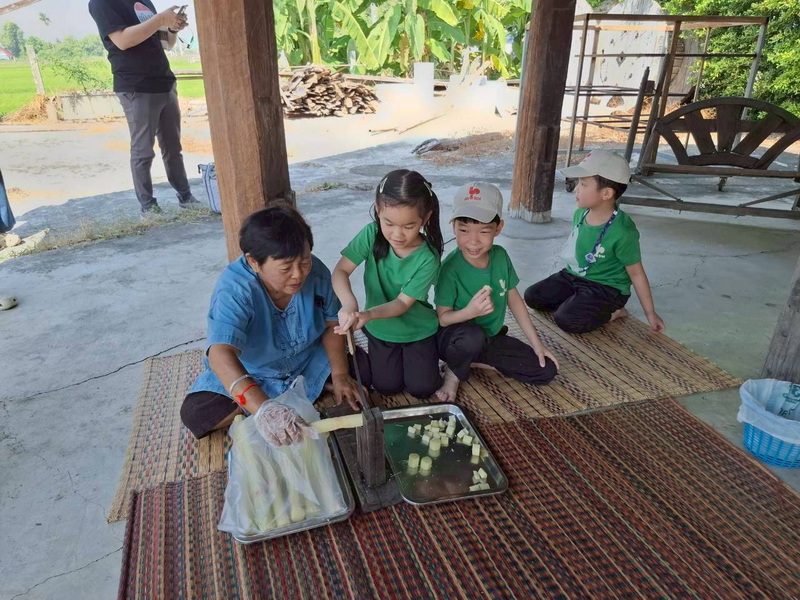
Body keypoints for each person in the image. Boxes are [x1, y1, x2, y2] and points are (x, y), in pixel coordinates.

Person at [180, 205, 368, 444]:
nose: (298, 274)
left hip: (307, 360)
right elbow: (220, 354)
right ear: (253, 262)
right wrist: (263, 408)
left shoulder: (317, 272)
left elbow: (333, 324)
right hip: (256, 373)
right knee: (197, 414)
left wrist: (340, 373)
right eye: (286, 268)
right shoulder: (235, 290)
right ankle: (275, 402)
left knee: (366, 370)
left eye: (304, 261)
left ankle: (304, 388)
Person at [434, 182, 559, 402]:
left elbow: (515, 300)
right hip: (455, 340)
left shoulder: (500, 256)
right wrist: (470, 312)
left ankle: (475, 361)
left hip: (490, 337)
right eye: (464, 230)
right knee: (472, 337)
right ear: (453, 227)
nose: (473, 241)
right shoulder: (450, 268)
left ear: (498, 228)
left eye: (484, 231)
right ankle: (453, 372)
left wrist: (537, 344)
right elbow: (443, 319)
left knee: (546, 370)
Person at [524, 149, 665, 334]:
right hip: (574, 275)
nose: (576, 189)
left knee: (566, 320)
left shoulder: (623, 232)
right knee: (532, 297)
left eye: (583, 184)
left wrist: (650, 313)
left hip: (606, 287)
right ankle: (578, 300)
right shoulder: (580, 214)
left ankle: (614, 312)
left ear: (606, 193)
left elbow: (637, 274)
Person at [333, 169, 444, 398]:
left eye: (408, 226)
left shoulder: (428, 256)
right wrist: (350, 306)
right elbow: (341, 271)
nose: (397, 234)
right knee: (386, 387)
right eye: (389, 223)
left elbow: (402, 304)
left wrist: (368, 314)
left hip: (418, 330)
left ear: (426, 218)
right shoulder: (370, 234)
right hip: (380, 328)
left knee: (422, 389)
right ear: (377, 209)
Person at [88, 1, 200, 216]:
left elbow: (165, 43)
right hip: (136, 86)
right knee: (143, 151)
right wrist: (160, 19)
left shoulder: (143, 1)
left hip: (164, 81)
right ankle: (148, 206)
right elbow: (123, 41)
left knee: (173, 147)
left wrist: (172, 28)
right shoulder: (102, 3)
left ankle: (185, 196)